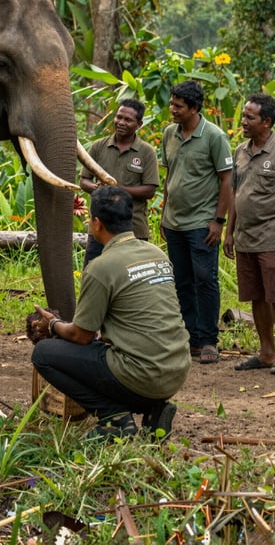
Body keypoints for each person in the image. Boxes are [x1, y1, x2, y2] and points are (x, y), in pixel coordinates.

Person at [31, 186, 191, 440]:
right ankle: (153, 408)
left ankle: (114, 418)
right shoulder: (157, 254)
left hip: (141, 375)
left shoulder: (101, 267)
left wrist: (53, 325)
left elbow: (81, 336)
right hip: (176, 368)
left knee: (44, 355)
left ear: (96, 224)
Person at [223, 94, 275, 375]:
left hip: (272, 237)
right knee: (256, 296)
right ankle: (266, 351)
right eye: (243, 115)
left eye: (249, 117)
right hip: (245, 237)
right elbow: (234, 193)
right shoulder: (241, 151)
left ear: (266, 121)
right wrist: (229, 232)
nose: (243, 121)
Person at [160, 80, 233, 365]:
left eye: (178, 106)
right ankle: (189, 338)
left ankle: (208, 340)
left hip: (202, 222)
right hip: (175, 222)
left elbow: (227, 179)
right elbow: (170, 176)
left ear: (194, 108)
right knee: (181, 281)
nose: (172, 110)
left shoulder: (214, 136)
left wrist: (218, 221)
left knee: (205, 279)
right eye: (172, 104)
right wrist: (165, 212)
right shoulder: (170, 134)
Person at [80, 98, 159, 265]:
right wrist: (98, 189)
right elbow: (84, 180)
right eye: (118, 117)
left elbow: (149, 190)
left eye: (128, 120)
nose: (121, 122)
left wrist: (117, 189)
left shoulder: (146, 152)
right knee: (93, 271)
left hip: (133, 229)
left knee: (133, 276)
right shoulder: (98, 147)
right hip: (100, 229)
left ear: (138, 124)